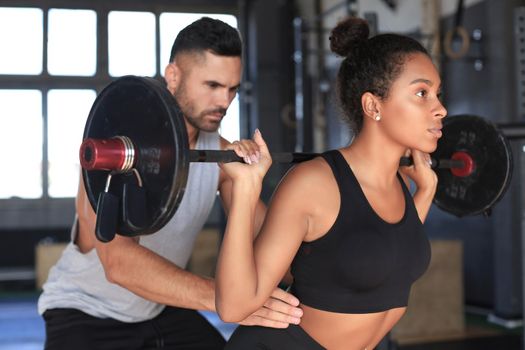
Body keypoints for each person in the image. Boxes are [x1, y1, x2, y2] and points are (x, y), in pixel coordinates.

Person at [38, 17, 302, 350]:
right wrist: (232, 300)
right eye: (212, 85)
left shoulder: (219, 155)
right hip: (86, 311)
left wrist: (322, 275)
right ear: (173, 76)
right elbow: (119, 264)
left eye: (232, 88)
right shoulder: (118, 147)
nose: (224, 101)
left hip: (159, 310)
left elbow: (267, 235)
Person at [215, 16, 447, 349]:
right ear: (372, 105)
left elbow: (388, 254)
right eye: (422, 93)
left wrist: (425, 192)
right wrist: (245, 191)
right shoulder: (313, 184)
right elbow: (235, 305)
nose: (440, 108)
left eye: (438, 94)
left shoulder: (398, 186)